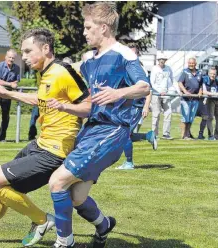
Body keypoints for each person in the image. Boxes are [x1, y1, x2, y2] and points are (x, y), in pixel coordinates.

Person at [0, 28, 90, 246]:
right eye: (22, 52)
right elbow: (41, 99)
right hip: (41, 143)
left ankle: (42, 220)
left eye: (28, 51)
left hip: (55, 152)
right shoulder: (43, 73)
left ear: (46, 48)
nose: (24, 57)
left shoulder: (63, 71)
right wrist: (6, 93)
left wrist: (65, 107)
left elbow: (89, 105)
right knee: (2, 188)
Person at [47, 2, 150, 247]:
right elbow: (72, 78)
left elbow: (144, 87)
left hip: (112, 132)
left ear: (103, 28)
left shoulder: (124, 54)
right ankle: (104, 225)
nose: (84, 32)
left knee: (57, 182)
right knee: (77, 197)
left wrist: (118, 93)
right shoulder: (90, 60)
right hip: (90, 131)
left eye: (88, 27)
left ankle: (65, 241)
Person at [116, 43, 157, 170]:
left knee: (124, 134)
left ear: (137, 54)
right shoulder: (126, 66)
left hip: (136, 106)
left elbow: (148, 90)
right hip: (127, 105)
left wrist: (146, 106)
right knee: (123, 133)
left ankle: (129, 162)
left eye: (133, 53)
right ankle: (148, 136)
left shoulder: (139, 69)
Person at [150, 53, 175, 140]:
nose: (162, 61)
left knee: (168, 113)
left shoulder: (168, 69)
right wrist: (160, 91)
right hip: (156, 94)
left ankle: (166, 134)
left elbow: (171, 81)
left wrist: (171, 91)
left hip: (166, 94)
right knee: (156, 114)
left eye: (163, 59)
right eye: (160, 59)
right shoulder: (154, 69)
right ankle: (154, 134)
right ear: (158, 60)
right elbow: (152, 83)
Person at [177, 58, 203, 140]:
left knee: (191, 118)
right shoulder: (185, 72)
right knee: (185, 117)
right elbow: (180, 82)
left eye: (192, 63)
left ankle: (187, 134)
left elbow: (201, 84)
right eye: (189, 63)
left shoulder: (200, 73)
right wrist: (185, 91)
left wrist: (200, 92)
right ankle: (183, 135)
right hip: (186, 99)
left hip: (195, 99)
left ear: (195, 64)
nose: (190, 64)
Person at [202, 67, 218, 140]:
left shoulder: (217, 80)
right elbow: (204, 92)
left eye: (214, 74)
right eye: (211, 74)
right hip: (210, 100)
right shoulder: (205, 79)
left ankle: (216, 135)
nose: (213, 75)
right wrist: (214, 94)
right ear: (208, 74)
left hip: (217, 100)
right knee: (210, 118)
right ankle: (211, 135)